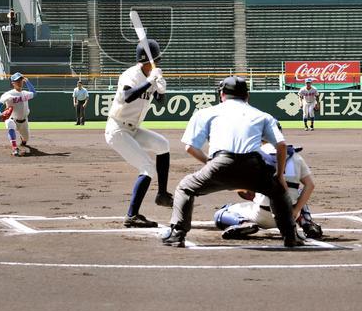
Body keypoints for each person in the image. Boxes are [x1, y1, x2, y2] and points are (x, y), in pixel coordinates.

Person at [161, 76, 304, 248]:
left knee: (185, 187)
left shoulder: (205, 113)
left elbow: (189, 147)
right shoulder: (262, 115)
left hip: (220, 162)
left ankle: (177, 234)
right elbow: (281, 145)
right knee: (278, 192)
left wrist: (210, 163)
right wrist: (279, 175)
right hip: (253, 166)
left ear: (222, 94)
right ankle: (290, 236)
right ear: (247, 96)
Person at [105, 39, 172, 228]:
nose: (158, 63)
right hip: (117, 129)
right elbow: (128, 96)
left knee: (163, 144)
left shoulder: (152, 74)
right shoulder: (131, 74)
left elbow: (159, 100)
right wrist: (150, 81)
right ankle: (132, 215)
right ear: (145, 61)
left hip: (133, 129)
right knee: (147, 168)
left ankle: (162, 194)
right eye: (155, 60)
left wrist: (161, 89)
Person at [213, 137, 322, 240]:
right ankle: (306, 222)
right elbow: (310, 186)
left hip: (262, 215)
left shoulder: (255, 154)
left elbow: (240, 186)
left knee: (222, 213)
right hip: (290, 217)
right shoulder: (295, 155)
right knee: (297, 192)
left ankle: (243, 223)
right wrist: (296, 211)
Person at [0, 72, 36, 157]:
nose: (19, 82)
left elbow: (34, 93)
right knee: (9, 123)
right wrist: (0, 114)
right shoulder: (8, 94)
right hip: (12, 119)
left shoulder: (25, 93)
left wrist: (27, 81)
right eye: (17, 81)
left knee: (26, 139)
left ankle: (23, 141)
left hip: (24, 121)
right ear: (13, 83)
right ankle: (14, 148)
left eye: (20, 80)